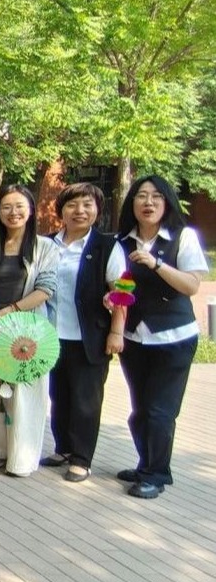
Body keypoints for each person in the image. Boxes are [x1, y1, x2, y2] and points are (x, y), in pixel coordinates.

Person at [107, 175, 208, 499]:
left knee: (160, 411)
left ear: (167, 202)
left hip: (174, 338)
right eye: (141, 196)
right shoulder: (122, 242)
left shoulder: (183, 237)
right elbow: (122, 288)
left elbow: (191, 285)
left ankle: (156, 474)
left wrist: (157, 263)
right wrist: (112, 300)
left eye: (155, 197)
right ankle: (146, 464)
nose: (148, 202)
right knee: (140, 410)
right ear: (132, 203)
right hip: (136, 339)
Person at [0, 185, 59, 477]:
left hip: (27, 330)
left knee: (25, 392)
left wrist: (7, 313)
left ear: (31, 210)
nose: (13, 212)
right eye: (6, 207)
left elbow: (46, 288)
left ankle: (22, 457)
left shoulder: (44, 247)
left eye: (19, 206)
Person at [43, 183, 118, 483]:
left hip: (89, 336)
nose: (80, 211)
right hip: (51, 334)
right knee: (58, 394)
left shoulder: (107, 246)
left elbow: (122, 290)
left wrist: (116, 332)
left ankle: (81, 458)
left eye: (87, 205)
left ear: (98, 210)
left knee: (86, 400)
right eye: (72, 205)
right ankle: (63, 448)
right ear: (61, 210)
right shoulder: (48, 243)